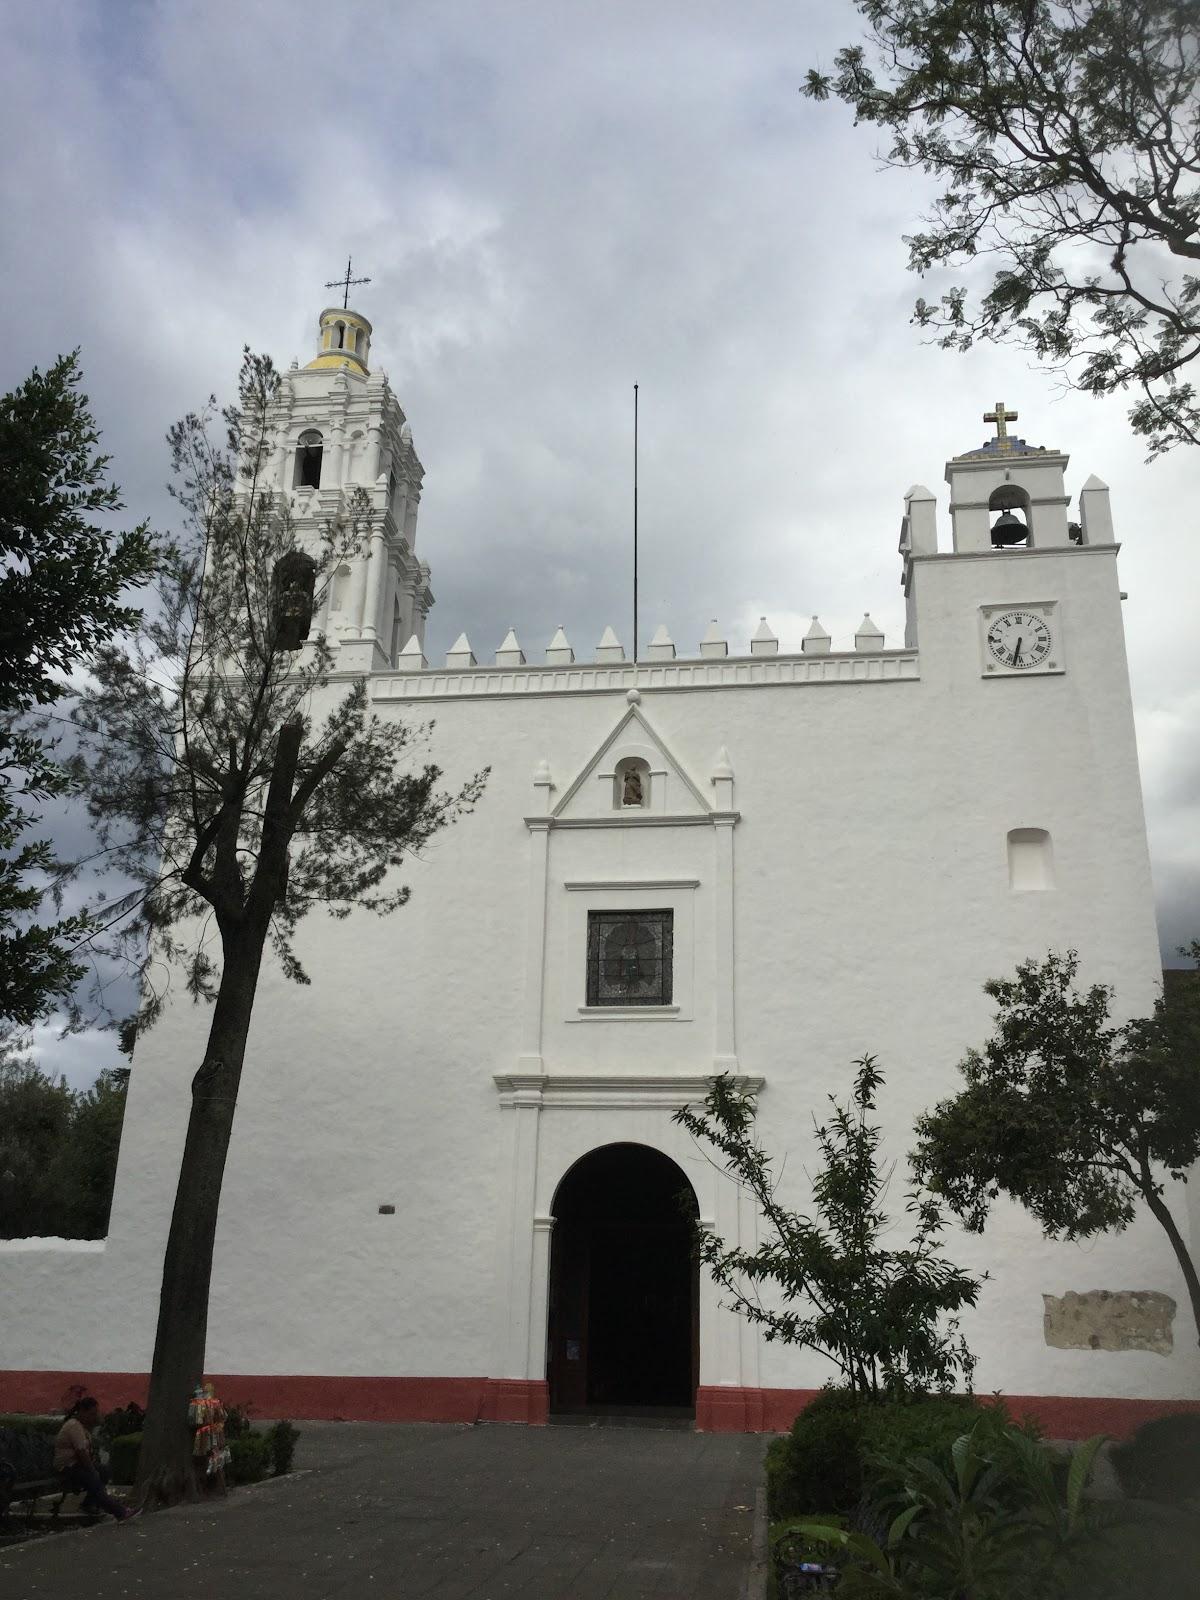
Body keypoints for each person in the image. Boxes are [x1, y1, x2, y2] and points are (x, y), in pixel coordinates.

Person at [54, 1397, 138, 1522]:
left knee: (104, 1471)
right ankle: (120, 1511)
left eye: (95, 1413)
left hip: (78, 1464)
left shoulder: (82, 1426)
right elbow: (81, 1452)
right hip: (68, 1467)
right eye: (91, 1414)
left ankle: (88, 1504)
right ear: (82, 1412)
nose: (93, 1417)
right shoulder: (73, 1426)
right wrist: (92, 1470)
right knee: (94, 1479)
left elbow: (98, 1424)